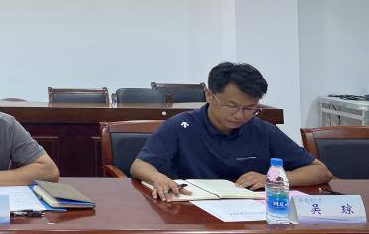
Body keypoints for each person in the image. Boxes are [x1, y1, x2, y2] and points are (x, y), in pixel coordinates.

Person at [131, 62, 332, 201]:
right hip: (192, 209)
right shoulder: (180, 126)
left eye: (250, 108)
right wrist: (158, 178)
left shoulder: (263, 130)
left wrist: (273, 179)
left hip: (251, 215)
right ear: (209, 95)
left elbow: (320, 171)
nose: (239, 115)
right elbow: (140, 165)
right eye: (232, 106)